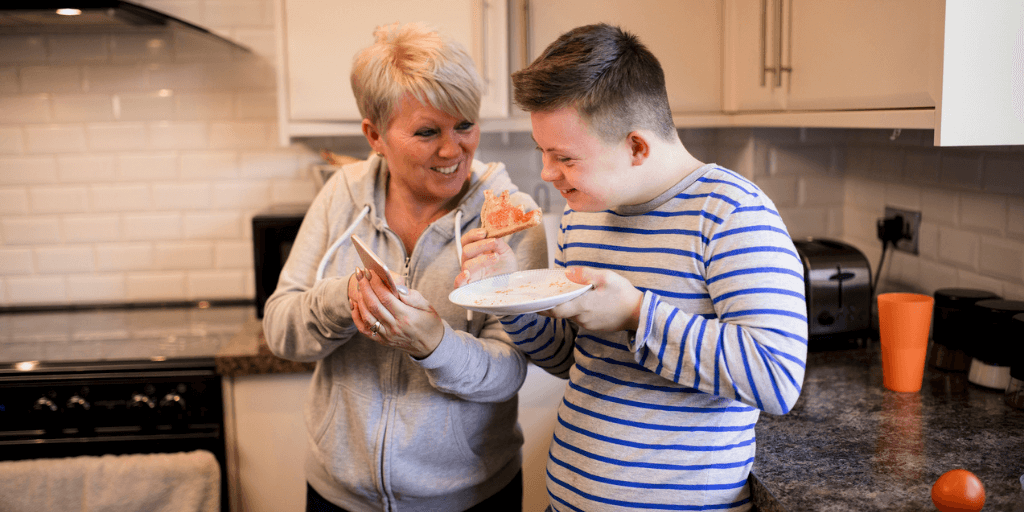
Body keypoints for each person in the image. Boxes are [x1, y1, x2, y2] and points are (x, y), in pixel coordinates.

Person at [457, 23, 808, 511]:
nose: (546, 172)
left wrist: (638, 314)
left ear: (637, 146)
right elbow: (570, 360)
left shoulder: (733, 215)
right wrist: (508, 294)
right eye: (543, 151)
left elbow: (777, 378)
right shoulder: (582, 216)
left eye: (565, 158)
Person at [263, 22, 548, 512]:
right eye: (426, 132)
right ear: (375, 135)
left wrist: (435, 345)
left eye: (465, 125)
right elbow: (280, 329)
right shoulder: (341, 196)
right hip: (339, 495)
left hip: (472, 497)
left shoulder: (508, 216)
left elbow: (510, 370)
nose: (452, 149)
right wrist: (340, 301)